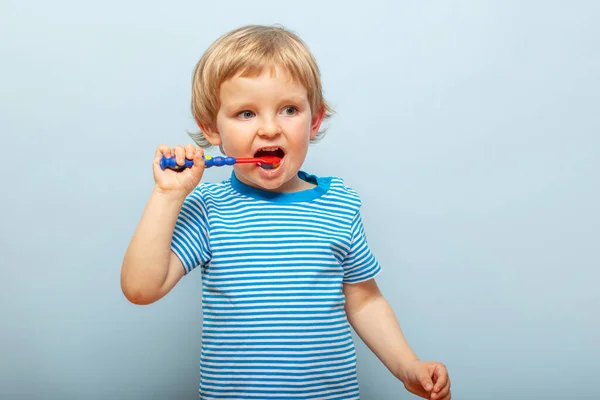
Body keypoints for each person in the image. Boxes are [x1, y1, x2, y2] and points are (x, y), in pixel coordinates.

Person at [121, 24, 451, 400]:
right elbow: (140, 289)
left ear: (314, 121)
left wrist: (407, 366)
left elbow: (366, 300)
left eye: (289, 110)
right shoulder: (209, 208)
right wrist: (167, 194)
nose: (269, 129)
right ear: (212, 129)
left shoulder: (340, 204)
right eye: (246, 113)